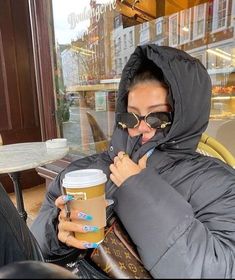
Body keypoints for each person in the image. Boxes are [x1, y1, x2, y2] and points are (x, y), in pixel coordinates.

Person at [30, 45, 235, 278]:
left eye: (157, 117)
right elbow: (35, 249)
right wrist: (58, 234)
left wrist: (139, 188)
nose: (140, 129)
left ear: (184, 119)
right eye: (131, 116)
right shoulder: (83, 171)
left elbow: (219, 269)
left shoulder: (219, 184)